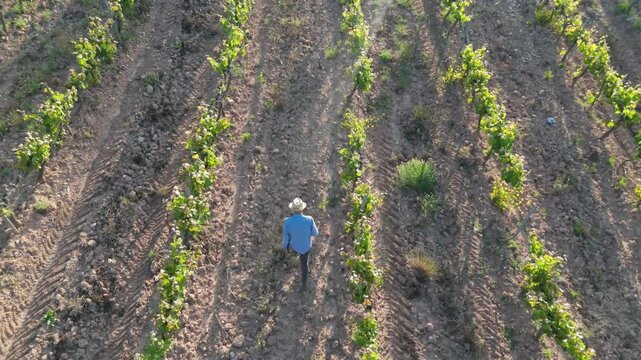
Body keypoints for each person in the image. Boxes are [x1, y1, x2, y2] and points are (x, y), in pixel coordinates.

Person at [282, 197, 319, 292]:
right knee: (304, 263)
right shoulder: (309, 220)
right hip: (306, 246)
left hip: (294, 246)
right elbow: (315, 233)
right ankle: (304, 284)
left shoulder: (287, 221)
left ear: (292, 209)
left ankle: (296, 261)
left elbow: (285, 239)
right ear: (302, 209)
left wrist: (285, 248)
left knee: (298, 256)